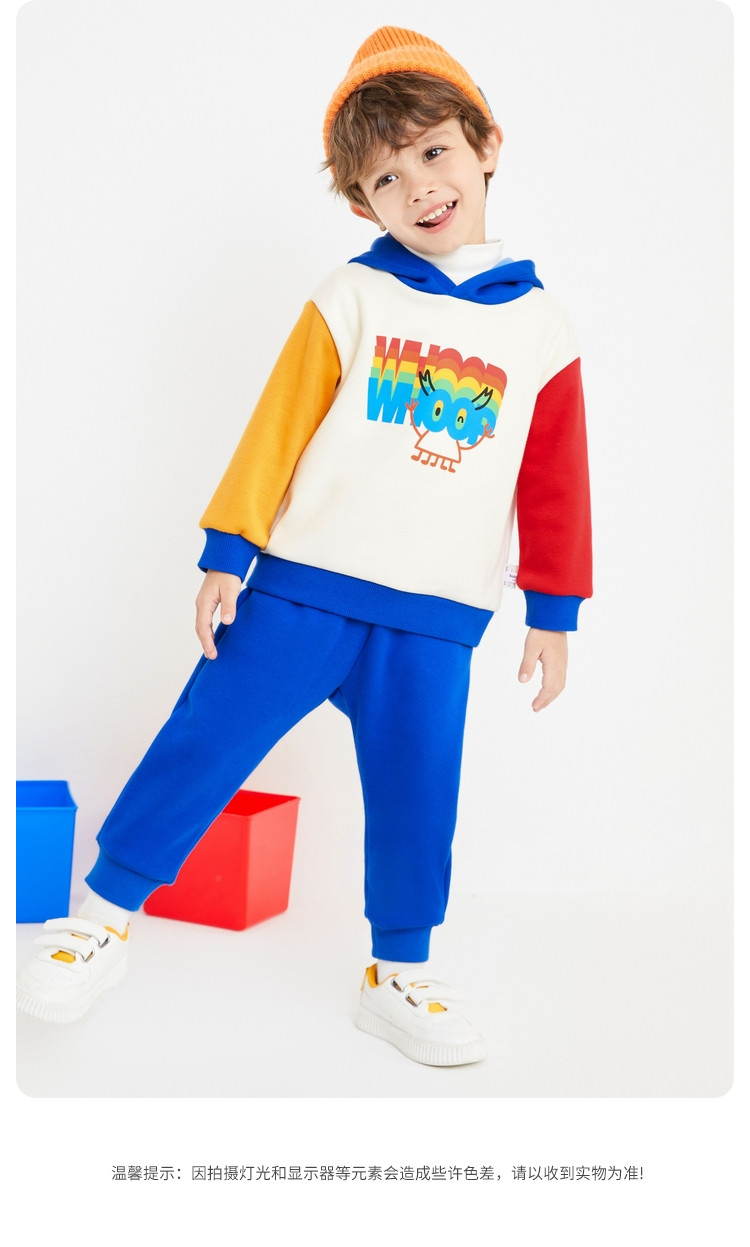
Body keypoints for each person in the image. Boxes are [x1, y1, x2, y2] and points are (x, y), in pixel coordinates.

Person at [17, 26, 592, 1066]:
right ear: (363, 204)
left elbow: (555, 479)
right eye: (385, 178)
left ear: (487, 146)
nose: (417, 187)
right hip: (302, 589)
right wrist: (226, 550)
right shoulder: (351, 297)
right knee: (204, 739)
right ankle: (100, 918)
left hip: (434, 617)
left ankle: (398, 970)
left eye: (434, 152)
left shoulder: (541, 328)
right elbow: (276, 429)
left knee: (420, 790)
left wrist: (554, 612)